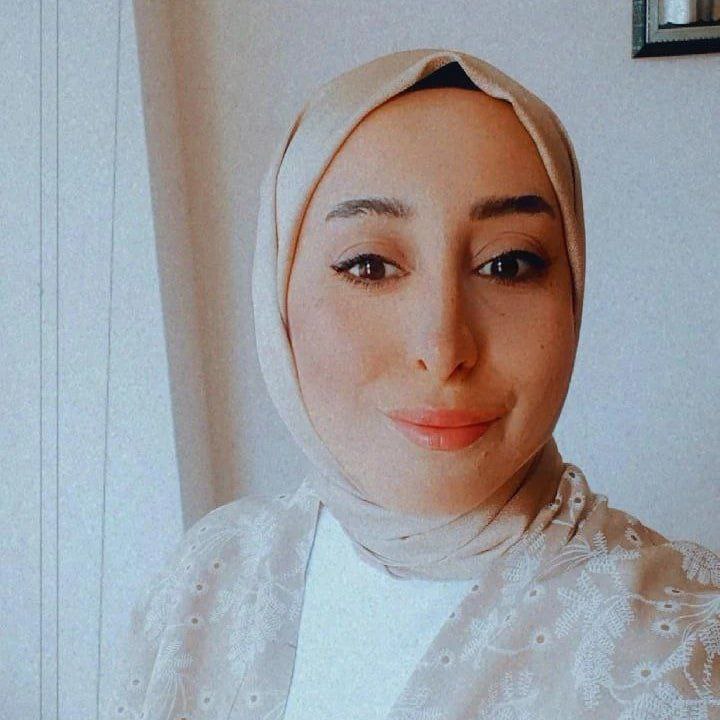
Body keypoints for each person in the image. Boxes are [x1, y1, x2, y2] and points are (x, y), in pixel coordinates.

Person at [106, 48, 720, 720]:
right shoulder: (206, 580)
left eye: (508, 264)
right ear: (277, 294)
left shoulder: (681, 649)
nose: (444, 348)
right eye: (369, 265)